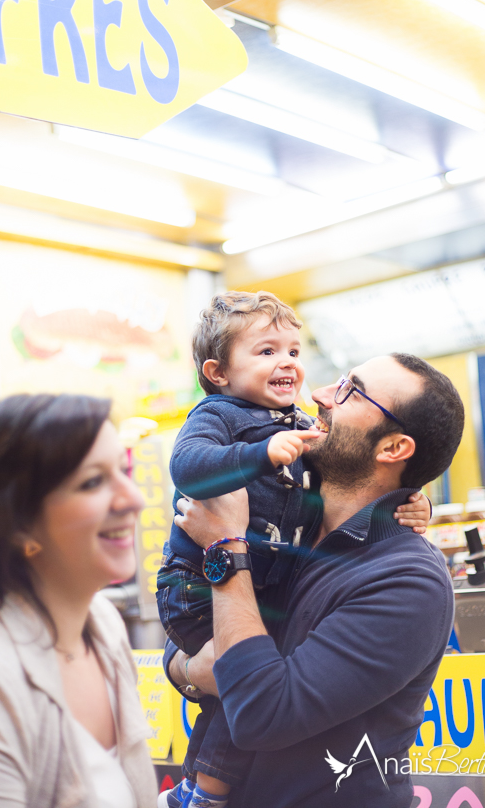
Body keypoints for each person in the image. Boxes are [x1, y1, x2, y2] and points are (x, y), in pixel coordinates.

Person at [156, 291, 432, 808]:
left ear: (394, 450)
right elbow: (187, 465)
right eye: (266, 352)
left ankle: (204, 793)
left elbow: (259, 703)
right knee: (225, 683)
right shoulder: (220, 416)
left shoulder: (404, 577)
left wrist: (415, 500)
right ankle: (202, 791)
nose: (318, 387)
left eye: (294, 352)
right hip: (192, 585)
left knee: (233, 696)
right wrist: (189, 669)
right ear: (217, 372)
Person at [0, 393, 158, 808]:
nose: (134, 499)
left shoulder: (103, 626)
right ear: (18, 524)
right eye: (93, 482)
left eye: (124, 470)